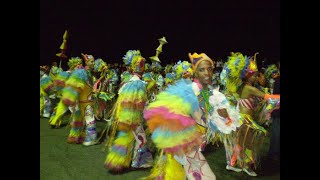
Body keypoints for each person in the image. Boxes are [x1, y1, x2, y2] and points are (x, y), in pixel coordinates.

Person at [221, 52, 280, 176]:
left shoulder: (243, 87)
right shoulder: (249, 88)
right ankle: (247, 166)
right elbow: (267, 97)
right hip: (245, 120)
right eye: (254, 76)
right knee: (248, 144)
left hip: (243, 119)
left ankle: (232, 164)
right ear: (248, 76)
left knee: (240, 142)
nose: (256, 77)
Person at [104, 50, 153, 172]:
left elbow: (121, 97)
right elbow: (141, 103)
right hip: (133, 118)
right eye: (141, 65)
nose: (143, 67)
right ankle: (138, 163)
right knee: (141, 140)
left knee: (125, 138)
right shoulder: (138, 83)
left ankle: (117, 162)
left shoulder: (129, 81)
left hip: (126, 117)